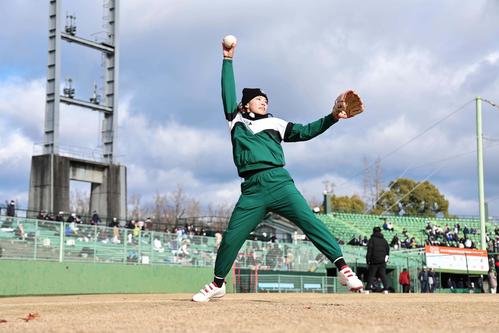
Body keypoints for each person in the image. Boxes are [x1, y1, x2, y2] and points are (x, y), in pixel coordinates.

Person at [191, 39, 363, 302]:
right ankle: (217, 284)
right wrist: (228, 60)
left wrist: (332, 117)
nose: (263, 102)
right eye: (258, 99)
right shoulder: (234, 120)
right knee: (231, 238)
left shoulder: (276, 122)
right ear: (246, 104)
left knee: (310, 221)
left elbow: (306, 131)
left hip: (279, 182)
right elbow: (227, 91)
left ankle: (342, 268)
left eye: (265, 100)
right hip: (252, 189)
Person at [366, 226, 390, 293]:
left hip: (374, 261)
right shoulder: (384, 240)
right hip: (382, 261)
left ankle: (367, 289)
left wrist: (367, 261)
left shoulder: (372, 240)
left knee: (371, 275)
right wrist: (386, 259)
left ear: (373, 231)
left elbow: (369, 251)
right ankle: (386, 289)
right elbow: (388, 250)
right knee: (383, 275)